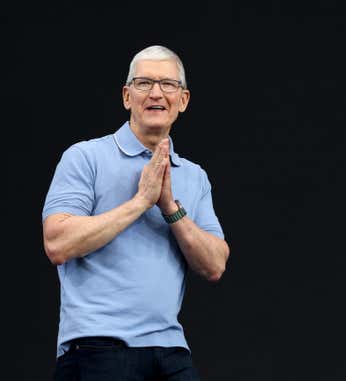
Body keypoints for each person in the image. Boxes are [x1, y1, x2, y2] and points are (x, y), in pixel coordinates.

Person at [42, 45, 230, 381]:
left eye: (168, 85)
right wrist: (141, 201)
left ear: (183, 101)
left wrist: (170, 207)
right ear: (127, 96)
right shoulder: (86, 157)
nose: (156, 92)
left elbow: (215, 264)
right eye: (144, 83)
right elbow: (57, 243)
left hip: (171, 350)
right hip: (97, 347)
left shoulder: (193, 176)